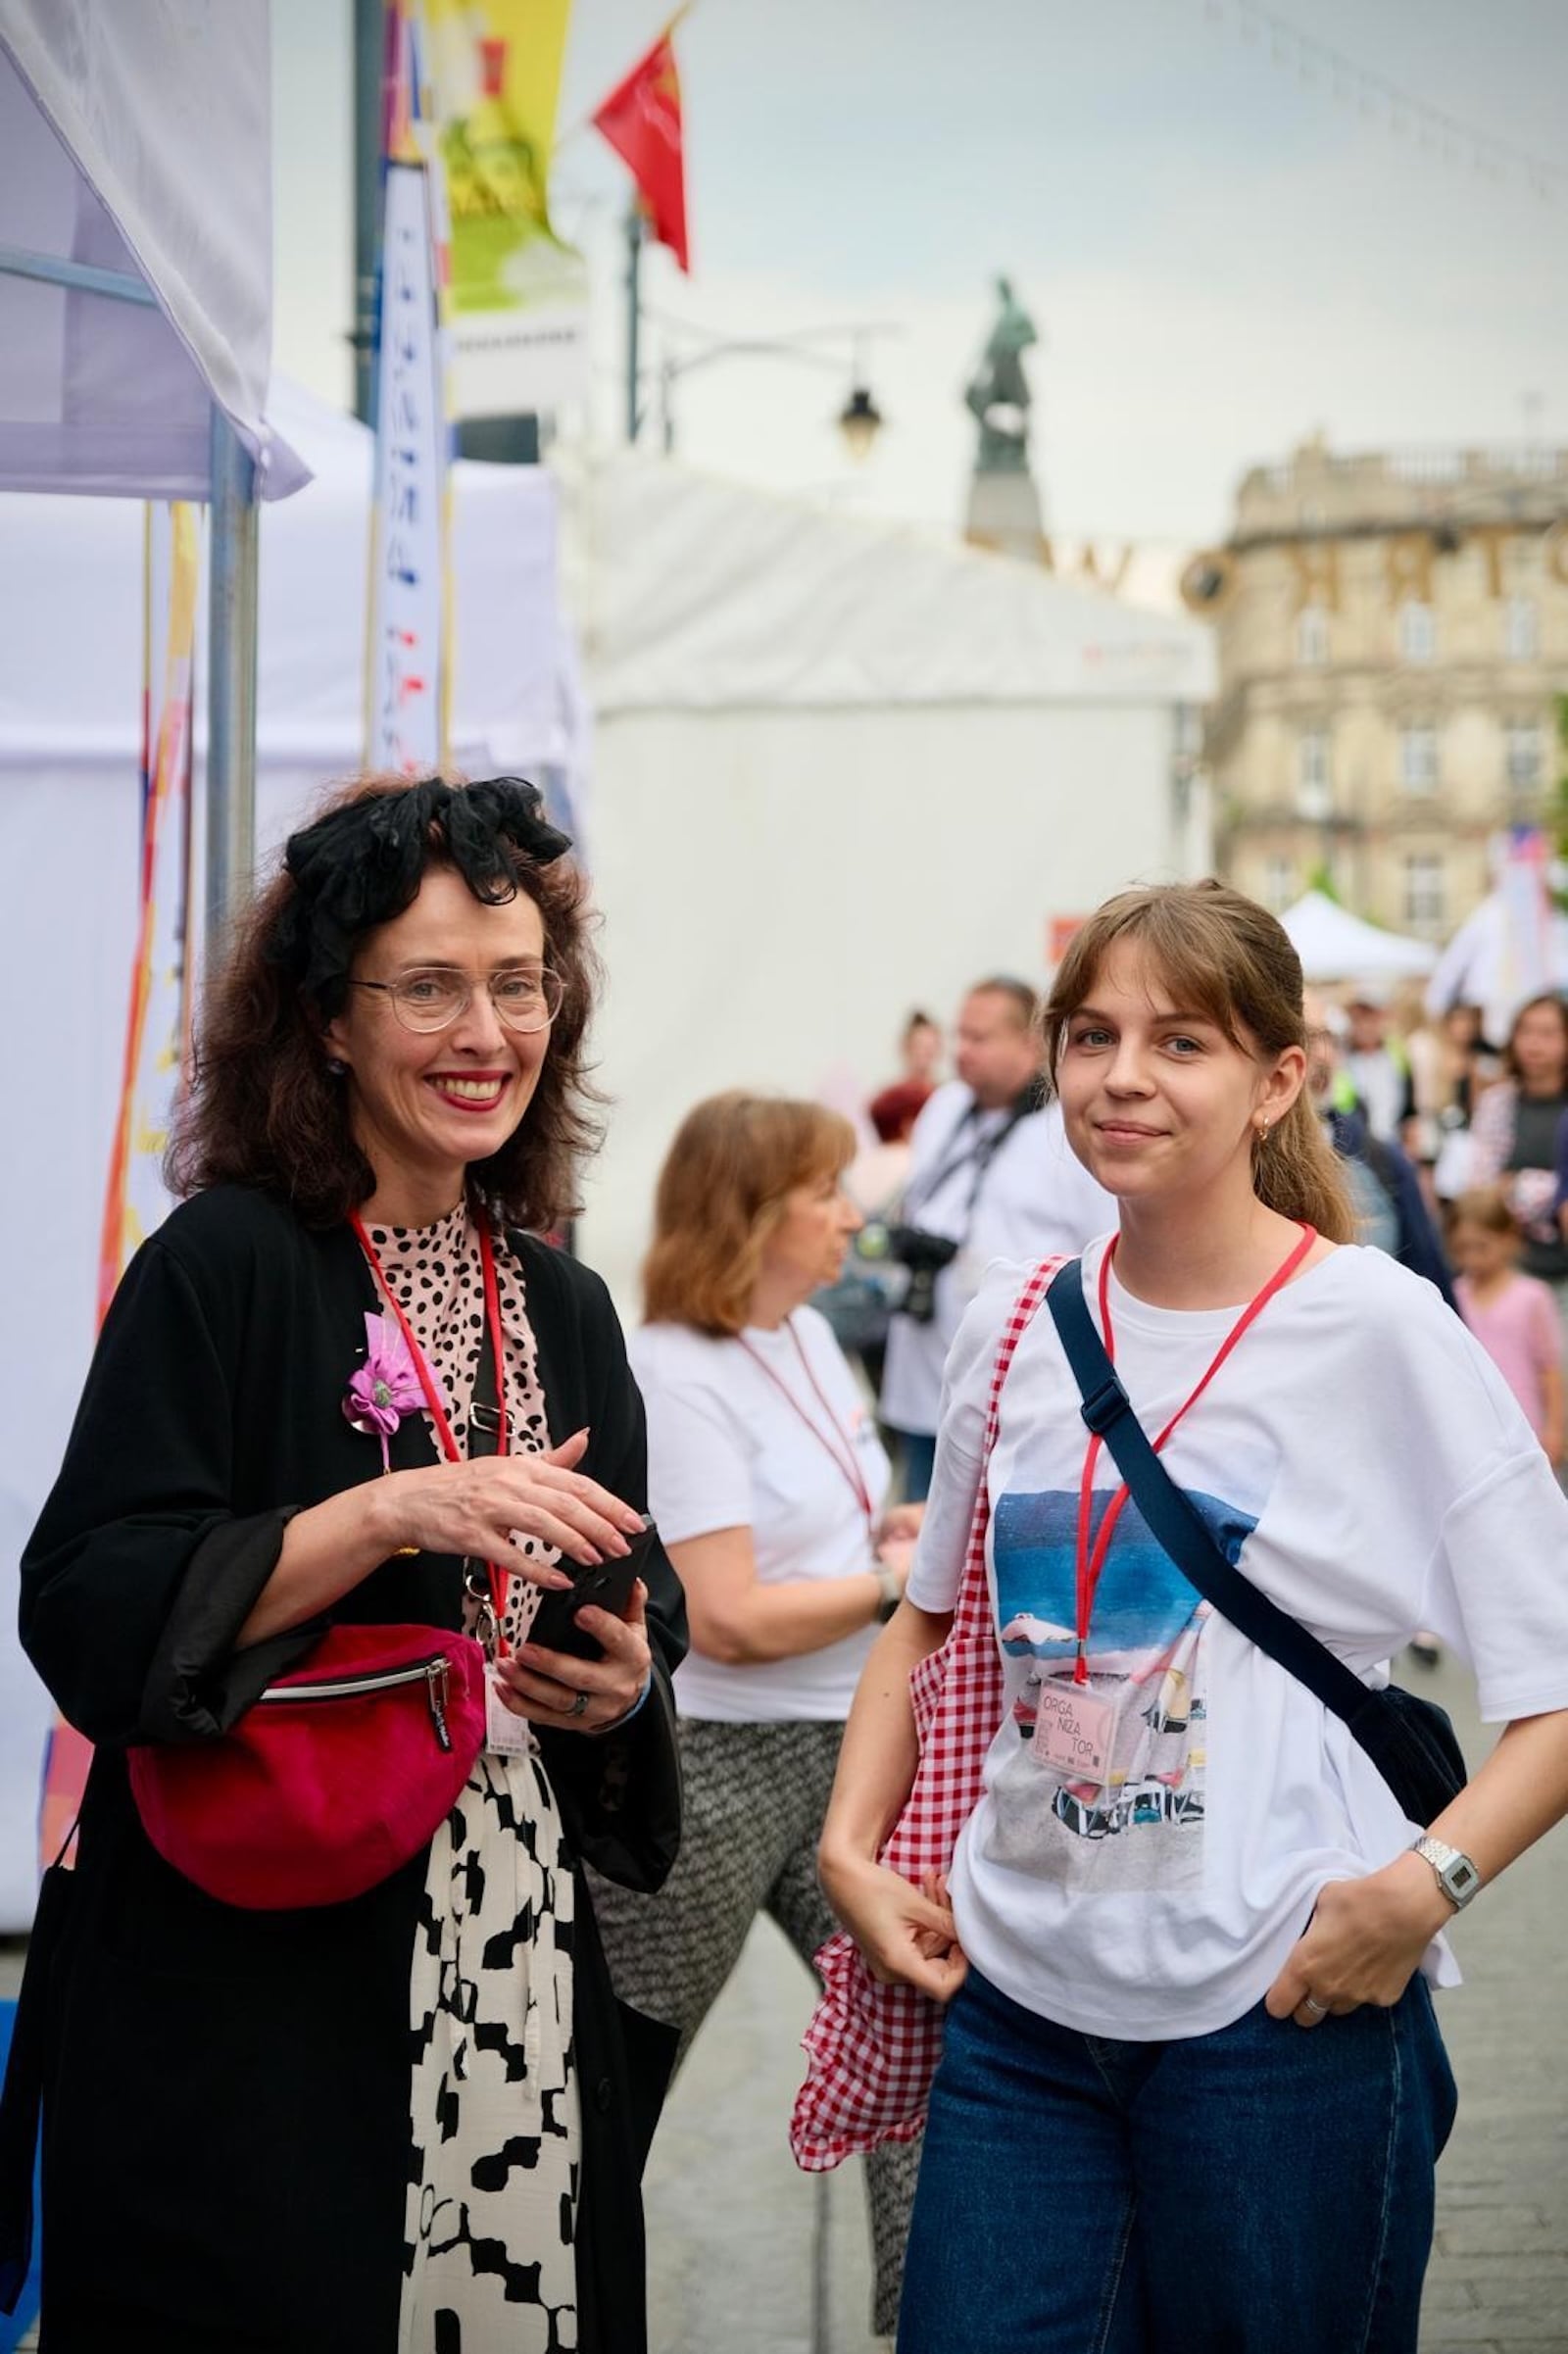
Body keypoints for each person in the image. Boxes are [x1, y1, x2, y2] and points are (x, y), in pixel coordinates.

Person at [816, 879, 1568, 2353]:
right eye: (1091, 1035)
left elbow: (1553, 1686)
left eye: (1181, 1042)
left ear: (1278, 1079)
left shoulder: (1377, 1324)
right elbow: (928, 1621)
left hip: (1281, 2015)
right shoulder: (1013, 1321)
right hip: (1019, 2010)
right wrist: (849, 1848)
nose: (1121, 1076)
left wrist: (1422, 1890)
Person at [3, 775, 688, 2354]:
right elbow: (92, 1599)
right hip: (250, 1969)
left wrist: (619, 1679)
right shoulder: (224, 1264)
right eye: (429, 986)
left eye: (517, 984)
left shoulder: (564, 1300)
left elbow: (639, 1604)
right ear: (325, 1020)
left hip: (510, 1938)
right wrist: (385, 1515)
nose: (485, 1032)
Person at [588, 1092, 923, 2336]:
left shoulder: (808, 1335)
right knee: (619, 2070)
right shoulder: (677, 1371)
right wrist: (895, 1581)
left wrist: (881, 1531)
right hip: (714, 1763)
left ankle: (937, 2311)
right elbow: (724, 1615)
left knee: (919, 2038)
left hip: (849, 1745)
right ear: (750, 1214)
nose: (848, 1214)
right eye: (822, 1192)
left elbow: (817, 1520)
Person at [879, 976, 1114, 1500]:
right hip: (924, 1381)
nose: (961, 1051)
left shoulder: (1068, 1129)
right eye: (959, 1035)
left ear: (1030, 1044)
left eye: (979, 1038)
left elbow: (1104, 1254)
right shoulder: (945, 1107)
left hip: (1018, 1398)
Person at [1303, 990, 1456, 1308]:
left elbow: (1429, 1284)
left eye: (1328, 1039)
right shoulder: (1238, 1162)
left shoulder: (1380, 1159)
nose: (1321, 1055)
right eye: (1304, 1038)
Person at [1449, 1188, 1564, 1471]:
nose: (1472, 1258)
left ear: (1508, 1238)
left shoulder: (1532, 1296)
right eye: (1463, 1248)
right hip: (1473, 1428)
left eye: (1482, 1246)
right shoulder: (1453, 1295)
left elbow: (1549, 1368)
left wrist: (1555, 1429)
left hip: (1525, 1425)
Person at [1468, 992, 1568, 1305]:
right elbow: (1482, 1187)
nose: (1534, 1044)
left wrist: (1519, 1184)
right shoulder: (1497, 1103)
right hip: (1512, 1269)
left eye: (1547, 1033)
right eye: (1526, 1031)